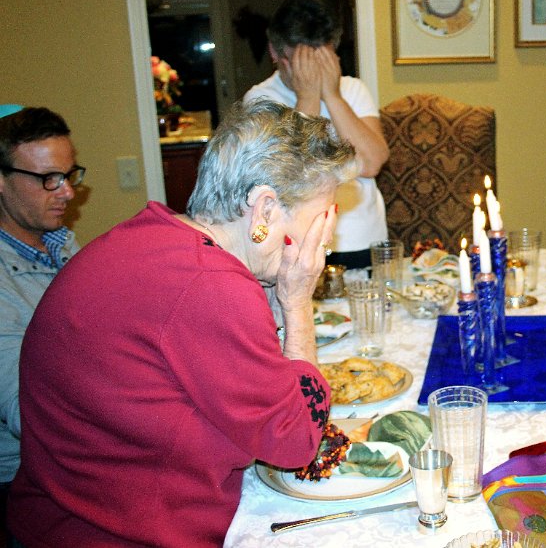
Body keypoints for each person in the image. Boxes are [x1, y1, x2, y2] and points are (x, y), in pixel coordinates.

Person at [8, 100, 357, 547]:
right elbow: (296, 441)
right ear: (265, 209)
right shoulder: (209, 285)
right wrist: (298, 303)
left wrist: (272, 282)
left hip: (61, 513)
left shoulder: (159, 236)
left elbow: (248, 381)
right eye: (319, 219)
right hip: (109, 533)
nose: (324, 241)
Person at [244, 0, 390, 269]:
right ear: (275, 52)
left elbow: (371, 163)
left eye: (320, 57)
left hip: (362, 238)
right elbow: (286, 174)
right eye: (302, 60)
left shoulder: (353, 90)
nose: (312, 69)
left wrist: (333, 97)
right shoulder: (259, 99)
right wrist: (309, 97)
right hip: (295, 240)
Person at [0, 106, 84, 538]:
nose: (66, 192)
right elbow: (27, 412)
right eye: (48, 179)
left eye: (69, 174)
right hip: (27, 480)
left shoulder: (61, 245)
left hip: (79, 453)